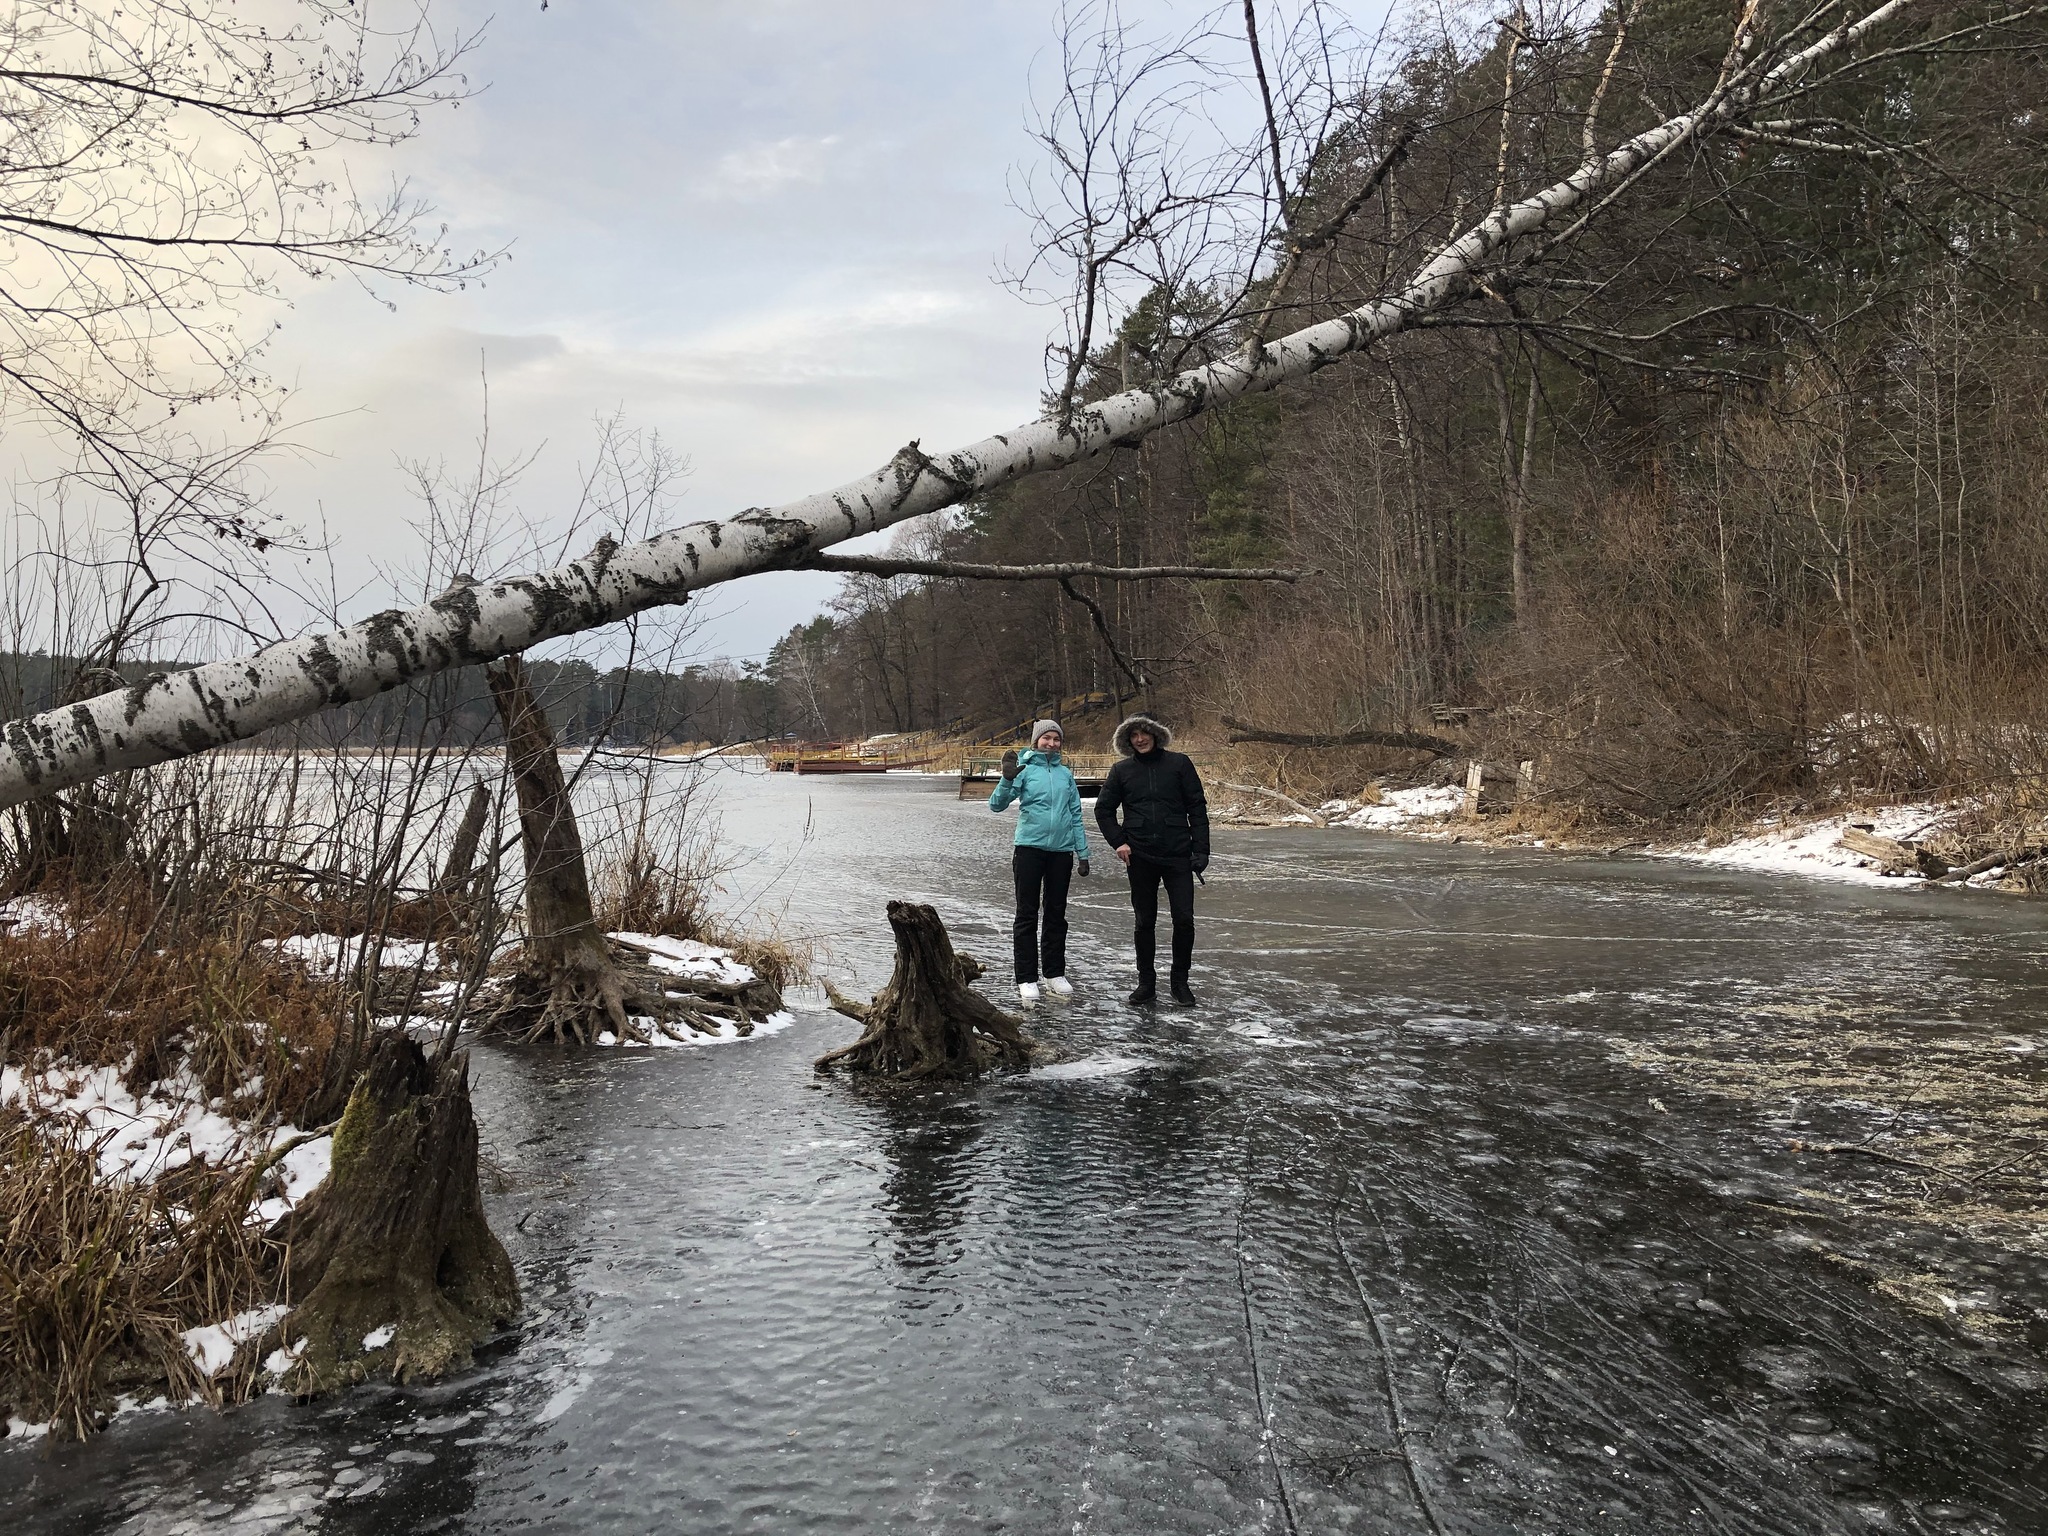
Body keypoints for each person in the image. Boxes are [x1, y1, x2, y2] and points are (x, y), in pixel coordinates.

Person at [1094, 712, 1208, 1006]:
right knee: (1145, 920)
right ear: (1128, 741)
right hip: (1140, 855)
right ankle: (1146, 983)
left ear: (1156, 735)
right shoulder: (1122, 771)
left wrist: (1201, 850)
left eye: (1144, 733)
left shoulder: (1179, 764)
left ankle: (1180, 983)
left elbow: (1196, 807)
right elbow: (1103, 810)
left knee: (1184, 919)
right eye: (1134, 735)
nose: (1140, 739)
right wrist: (1118, 842)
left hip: (1178, 854)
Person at [989, 719, 1090, 1006]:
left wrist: (1082, 853)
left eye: (1056, 739)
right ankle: (1026, 977)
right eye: (1046, 738)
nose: (1052, 743)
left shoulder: (1065, 774)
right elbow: (996, 805)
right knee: (1027, 914)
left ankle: (1054, 973)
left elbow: (1075, 814)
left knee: (1056, 914)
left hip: (1061, 852)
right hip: (1029, 850)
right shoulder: (1024, 769)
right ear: (1036, 741)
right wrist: (1007, 779)